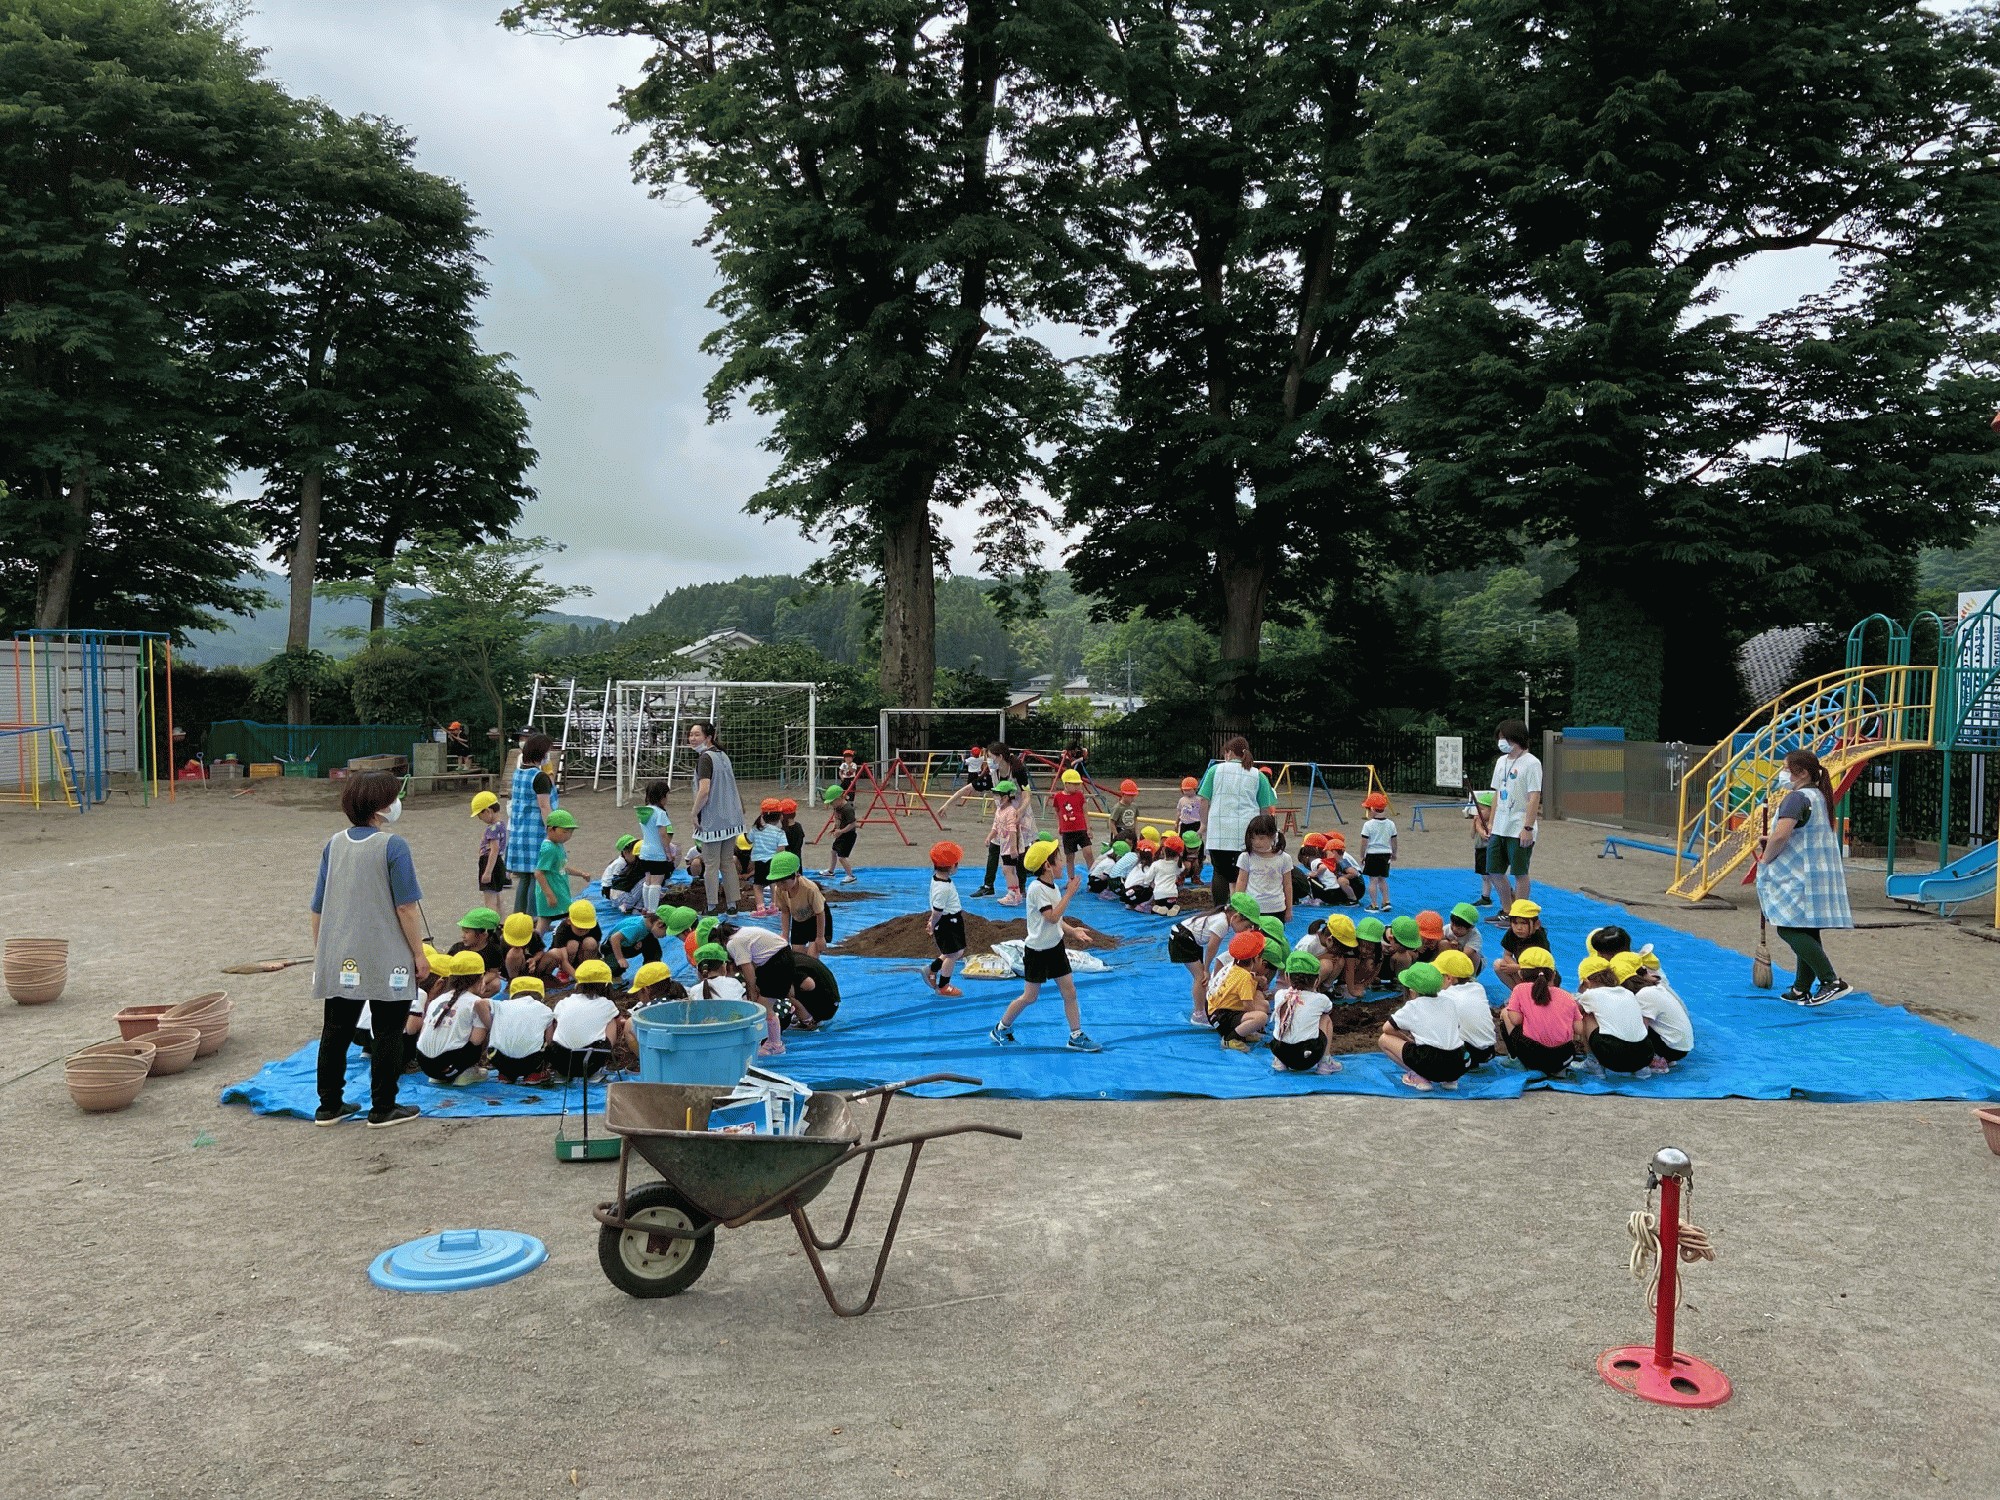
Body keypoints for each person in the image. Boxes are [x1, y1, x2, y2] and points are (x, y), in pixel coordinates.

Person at [310, 771, 429, 1130]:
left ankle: (329, 1105)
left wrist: (323, 954)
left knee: (335, 1029)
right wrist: (419, 954)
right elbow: (406, 907)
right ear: (381, 807)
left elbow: (317, 907)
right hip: (386, 956)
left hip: (340, 955)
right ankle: (383, 1107)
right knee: (388, 1030)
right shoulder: (394, 846)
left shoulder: (334, 844)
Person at [1755, 747, 1854, 1005]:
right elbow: (1802, 831)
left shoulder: (1796, 799)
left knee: (1788, 928)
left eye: (1786, 769)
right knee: (1807, 929)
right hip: (1816, 872)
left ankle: (1831, 980)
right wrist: (1772, 839)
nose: (1783, 774)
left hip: (1799, 874)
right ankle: (1801, 988)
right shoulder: (1819, 796)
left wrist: (1765, 859)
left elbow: (1782, 835)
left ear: (1801, 773)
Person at [989, 840, 1101, 1051]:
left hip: (1055, 948)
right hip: (1038, 952)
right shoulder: (1036, 889)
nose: (1062, 863)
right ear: (1047, 865)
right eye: (1059, 859)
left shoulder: (1053, 888)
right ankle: (1001, 1028)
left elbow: (1057, 920)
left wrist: (1072, 931)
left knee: (1070, 992)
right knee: (1030, 997)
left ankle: (1076, 1035)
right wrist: (1069, 894)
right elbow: (1051, 917)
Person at [1197, 738, 1277, 907]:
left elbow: (1203, 800)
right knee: (1245, 872)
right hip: (1247, 832)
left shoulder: (1215, 771)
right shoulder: (1258, 775)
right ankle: (1244, 910)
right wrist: (1265, 832)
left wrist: (1203, 824)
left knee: (1220, 872)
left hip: (1219, 831)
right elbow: (1265, 808)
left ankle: (1219, 910)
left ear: (1229, 752)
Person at [1378, 961, 1469, 1091]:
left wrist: (1406, 1039)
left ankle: (1419, 1076)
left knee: (1383, 1039)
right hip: (1459, 1062)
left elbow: (1387, 1028)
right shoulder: (1449, 1002)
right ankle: (1450, 1080)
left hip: (1429, 1062)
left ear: (1412, 992)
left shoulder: (1413, 1006)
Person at [688, 719, 747, 915]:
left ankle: (712, 906)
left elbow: (704, 790)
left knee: (711, 864)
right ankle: (732, 905)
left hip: (714, 819)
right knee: (727, 862)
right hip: (731, 818)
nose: (692, 738)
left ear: (709, 737)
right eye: (691, 734)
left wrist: (694, 812)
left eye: (697, 734)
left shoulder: (705, 758)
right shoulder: (723, 755)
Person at [1170, 893, 1255, 1025]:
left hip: (1187, 938)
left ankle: (1202, 1009)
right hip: (1182, 939)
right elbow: (1212, 947)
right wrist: (1206, 969)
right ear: (1236, 917)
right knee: (1201, 978)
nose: (1247, 930)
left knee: (1202, 978)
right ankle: (1198, 1014)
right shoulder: (1222, 923)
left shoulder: (1222, 917)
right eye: (1246, 926)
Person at [409, 951, 491, 1086]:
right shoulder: (476, 1003)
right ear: (480, 979)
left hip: (425, 1065)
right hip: (449, 1066)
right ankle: (468, 1070)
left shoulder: (437, 1000)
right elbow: (477, 1040)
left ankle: (441, 1075)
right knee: (485, 1025)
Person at [1486, 720, 1543, 913]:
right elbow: (1497, 793)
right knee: (1494, 870)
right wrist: (1491, 822)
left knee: (1520, 872)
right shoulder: (1501, 762)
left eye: (1504, 737)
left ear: (1515, 737)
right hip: (1499, 826)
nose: (1501, 742)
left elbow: (1534, 796)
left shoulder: (1532, 763)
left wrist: (1528, 827)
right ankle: (1506, 909)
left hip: (1519, 826)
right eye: (1499, 738)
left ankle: (1520, 914)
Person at [720, 919, 798, 1055]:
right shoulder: (741, 933)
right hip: (781, 958)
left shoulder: (733, 943)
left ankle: (775, 1044)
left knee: (763, 1008)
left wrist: (752, 991)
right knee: (764, 1005)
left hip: (777, 962)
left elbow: (749, 971)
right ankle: (773, 1040)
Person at [1497, 947, 1580, 1075]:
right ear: (1553, 975)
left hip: (1533, 1057)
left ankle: (1515, 1059)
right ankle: (1558, 1070)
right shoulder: (1567, 996)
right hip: (1565, 1057)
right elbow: (1579, 1029)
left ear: (1521, 974)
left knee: (1506, 1013)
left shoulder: (1520, 989)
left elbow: (1516, 1020)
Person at [548, 959, 633, 1079]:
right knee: (612, 1020)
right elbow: (622, 1022)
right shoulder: (606, 1004)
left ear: (578, 983)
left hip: (560, 1061)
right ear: (606, 984)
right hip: (590, 1062)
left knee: (555, 1021)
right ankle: (605, 1058)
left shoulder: (563, 1002)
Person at [504, 733, 559, 916]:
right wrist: (552, 830)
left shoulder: (518, 773)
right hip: (536, 833)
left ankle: (518, 917)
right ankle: (533, 918)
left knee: (525, 878)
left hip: (520, 831)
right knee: (537, 876)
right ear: (540, 753)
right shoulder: (539, 777)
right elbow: (544, 807)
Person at [1577, 953, 1655, 1074]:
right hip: (1645, 1055)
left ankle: (1592, 1063)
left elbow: (1574, 1010)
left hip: (1614, 1056)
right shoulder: (1627, 993)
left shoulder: (1590, 995)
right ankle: (1641, 1071)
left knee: (1585, 1016)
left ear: (1587, 982)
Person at [1269, 951, 1340, 1074]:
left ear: (1287, 977)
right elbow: (1328, 1011)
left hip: (1280, 1051)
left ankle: (1279, 1062)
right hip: (1308, 1056)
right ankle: (1325, 1062)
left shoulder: (1280, 995)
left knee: (1284, 1017)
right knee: (1325, 1018)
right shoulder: (1321, 999)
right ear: (1317, 980)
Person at [1202, 930, 1270, 1051]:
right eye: (1262, 959)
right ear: (1256, 958)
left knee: (1263, 1005)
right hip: (1221, 1017)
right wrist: (1256, 1023)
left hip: (1213, 1010)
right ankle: (1230, 1038)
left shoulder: (1234, 967)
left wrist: (1257, 980)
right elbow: (1248, 1006)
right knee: (1261, 1017)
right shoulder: (1245, 977)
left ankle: (1243, 1031)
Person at [487, 974, 555, 1084]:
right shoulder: (545, 1010)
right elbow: (550, 1040)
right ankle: (535, 1074)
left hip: (499, 1061)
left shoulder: (501, 1005)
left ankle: (505, 1075)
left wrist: (489, 1026)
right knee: (548, 1043)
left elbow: (480, 1003)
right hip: (530, 1062)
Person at [1435, 949, 1496, 1068]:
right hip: (1488, 1051)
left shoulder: (1444, 996)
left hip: (1466, 1054)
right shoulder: (1478, 988)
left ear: (1449, 978)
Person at [1633, 951, 1694, 1069]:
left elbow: (1641, 1030)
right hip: (1683, 1046)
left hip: (1672, 1048)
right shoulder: (1658, 986)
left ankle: (1654, 1058)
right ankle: (1664, 1057)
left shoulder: (1644, 993)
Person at [926, 841, 967, 997]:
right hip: (947, 922)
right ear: (952, 867)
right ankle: (944, 986)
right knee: (952, 955)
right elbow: (938, 911)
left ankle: (932, 969)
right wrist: (932, 923)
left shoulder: (939, 879)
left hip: (952, 920)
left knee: (957, 951)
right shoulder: (943, 887)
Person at [631, 779, 679, 913]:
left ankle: (646, 908)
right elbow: (663, 835)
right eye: (666, 795)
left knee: (648, 881)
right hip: (657, 853)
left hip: (644, 852)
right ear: (661, 796)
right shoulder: (660, 813)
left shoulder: (644, 812)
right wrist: (668, 852)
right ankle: (653, 911)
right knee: (656, 882)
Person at [1234, 813, 1293, 919]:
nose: (1256, 842)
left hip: (1277, 908)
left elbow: (1287, 884)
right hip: (1251, 908)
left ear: (1273, 836)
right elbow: (1241, 882)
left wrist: (1289, 909)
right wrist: (1237, 907)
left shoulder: (1284, 858)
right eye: (1253, 838)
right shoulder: (1246, 857)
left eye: (1261, 838)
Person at [770, 852, 830, 957]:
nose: (781, 886)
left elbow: (820, 913)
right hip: (799, 918)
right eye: (777, 882)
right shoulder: (778, 890)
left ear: (796, 875)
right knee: (797, 954)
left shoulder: (810, 888)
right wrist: (785, 935)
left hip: (816, 919)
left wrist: (820, 937)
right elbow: (785, 912)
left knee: (812, 956)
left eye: (783, 882)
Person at [531, 809, 580, 930]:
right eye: (564, 832)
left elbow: (562, 866)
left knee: (549, 920)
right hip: (553, 891)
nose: (568, 836)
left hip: (559, 889)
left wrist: (581, 873)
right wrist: (549, 895)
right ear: (550, 829)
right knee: (546, 920)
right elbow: (539, 873)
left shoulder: (558, 845)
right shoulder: (549, 849)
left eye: (570, 832)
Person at [981, 779, 1025, 904]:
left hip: (1010, 846)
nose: (995, 797)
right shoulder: (1000, 810)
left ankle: (1012, 894)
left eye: (997, 795)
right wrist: (990, 837)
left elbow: (1012, 830)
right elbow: (996, 826)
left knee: (1007, 870)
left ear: (1005, 797)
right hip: (1004, 845)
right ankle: (1016, 894)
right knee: (1010, 870)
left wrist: (1013, 847)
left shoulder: (1010, 811)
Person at [1491, 898, 1551, 989]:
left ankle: (1536, 993)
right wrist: (1513, 967)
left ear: (1536, 924)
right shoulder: (1511, 933)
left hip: (1539, 973)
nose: (1519, 928)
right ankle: (1517, 992)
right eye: (1515, 923)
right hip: (1522, 971)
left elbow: (1543, 966)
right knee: (1499, 965)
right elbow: (1507, 955)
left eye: (1523, 923)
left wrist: (1518, 967)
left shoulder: (1540, 939)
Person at [604, 907, 668, 978]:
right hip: (612, 947)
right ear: (659, 924)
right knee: (617, 968)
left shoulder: (648, 924)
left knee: (652, 943)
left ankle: (651, 967)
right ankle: (607, 965)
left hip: (631, 943)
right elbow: (614, 938)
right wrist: (620, 958)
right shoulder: (637, 927)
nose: (665, 935)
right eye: (665, 932)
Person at [1052, 768, 1094, 877]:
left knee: (1088, 852)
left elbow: (1085, 812)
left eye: (1078, 784)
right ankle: (1070, 878)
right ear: (1066, 784)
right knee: (1069, 857)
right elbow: (1057, 811)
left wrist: (1088, 828)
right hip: (1067, 831)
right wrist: (1059, 825)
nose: (1077, 787)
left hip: (1081, 829)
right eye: (1074, 784)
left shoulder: (1080, 795)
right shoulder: (1058, 796)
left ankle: (1093, 876)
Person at [471, 789, 508, 910]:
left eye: (479, 815)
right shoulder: (501, 825)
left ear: (488, 811)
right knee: (498, 898)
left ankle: (491, 921)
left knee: (489, 900)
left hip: (489, 863)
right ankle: (502, 920)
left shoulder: (492, 828)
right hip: (498, 863)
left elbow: (494, 850)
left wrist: (487, 872)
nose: (479, 818)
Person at [1360, 793, 1397, 911]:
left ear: (1372, 809)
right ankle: (1386, 901)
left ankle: (1374, 904)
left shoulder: (1368, 825)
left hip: (1372, 854)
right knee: (1382, 879)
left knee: (1373, 880)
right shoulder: (1391, 824)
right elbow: (1394, 840)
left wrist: (1362, 855)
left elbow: (1364, 842)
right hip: (1386, 854)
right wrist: (1394, 853)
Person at [544, 898, 601, 975]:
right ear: (569, 921)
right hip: (566, 959)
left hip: (582, 954)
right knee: (572, 945)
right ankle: (564, 972)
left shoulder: (594, 925)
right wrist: (578, 977)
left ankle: (585, 967)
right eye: (580, 928)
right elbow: (563, 960)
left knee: (591, 942)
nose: (584, 931)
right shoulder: (562, 930)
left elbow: (597, 948)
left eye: (587, 929)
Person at [821, 782, 860, 885]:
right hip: (841, 834)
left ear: (839, 799)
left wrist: (841, 831)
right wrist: (835, 828)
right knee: (833, 851)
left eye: (832, 802)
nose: (831, 805)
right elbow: (837, 819)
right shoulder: (837, 807)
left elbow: (853, 824)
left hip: (848, 835)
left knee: (842, 857)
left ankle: (850, 876)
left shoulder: (848, 809)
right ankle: (830, 871)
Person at [500, 911, 546, 985]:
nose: (517, 945)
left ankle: (543, 979)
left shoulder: (534, 935)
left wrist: (534, 959)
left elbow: (540, 951)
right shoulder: (501, 940)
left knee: (553, 954)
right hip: (510, 972)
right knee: (515, 952)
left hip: (530, 968)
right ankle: (513, 982)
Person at [601, 834, 643, 913]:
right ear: (625, 852)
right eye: (634, 852)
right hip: (608, 890)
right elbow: (616, 881)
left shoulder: (625, 861)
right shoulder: (620, 863)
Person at [1469, 790, 1498, 906]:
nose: (1478, 812)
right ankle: (1485, 897)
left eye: (1482, 810)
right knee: (1484, 876)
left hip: (1487, 851)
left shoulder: (1491, 824)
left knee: (1490, 876)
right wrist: (1474, 824)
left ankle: (1505, 893)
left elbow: (1485, 836)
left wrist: (1478, 825)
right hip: (1479, 850)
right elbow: (1472, 835)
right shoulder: (1479, 822)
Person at [1444, 903, 1485, 975]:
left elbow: (1465, 954)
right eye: (1453, 924)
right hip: (1451, 957)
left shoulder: (1475, 936)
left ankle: (1471, 977)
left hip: (1468, 962)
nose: (1454, 929)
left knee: (1474, 955)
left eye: (1459, 928)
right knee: (1442, 943)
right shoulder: (1447, 928)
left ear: (1470, 928)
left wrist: (1455, 950)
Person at [1150, 833, 1185, 916]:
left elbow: (1148, 878)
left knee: (1156, 907)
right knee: (1170, 905)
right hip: (1173, 895)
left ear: (1164, 849)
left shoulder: (1156, 864)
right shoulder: (1179, 866)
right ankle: (1173, 907)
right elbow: (1182, 868)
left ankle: (1158, 908)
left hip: (1159, 895)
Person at [1110, 779, 1139, 851]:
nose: (1132, 798)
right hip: (1121, 831)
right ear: (1123, 794)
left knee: (1133, 850)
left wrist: (1136, 833)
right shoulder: (1118, 807)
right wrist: (1117, 836)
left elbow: (1135, 819)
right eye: (1130, 796)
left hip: (1131, 832)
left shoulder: (1134, 806)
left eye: (1133, 796)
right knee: (1120, 851)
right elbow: (1111, 822)